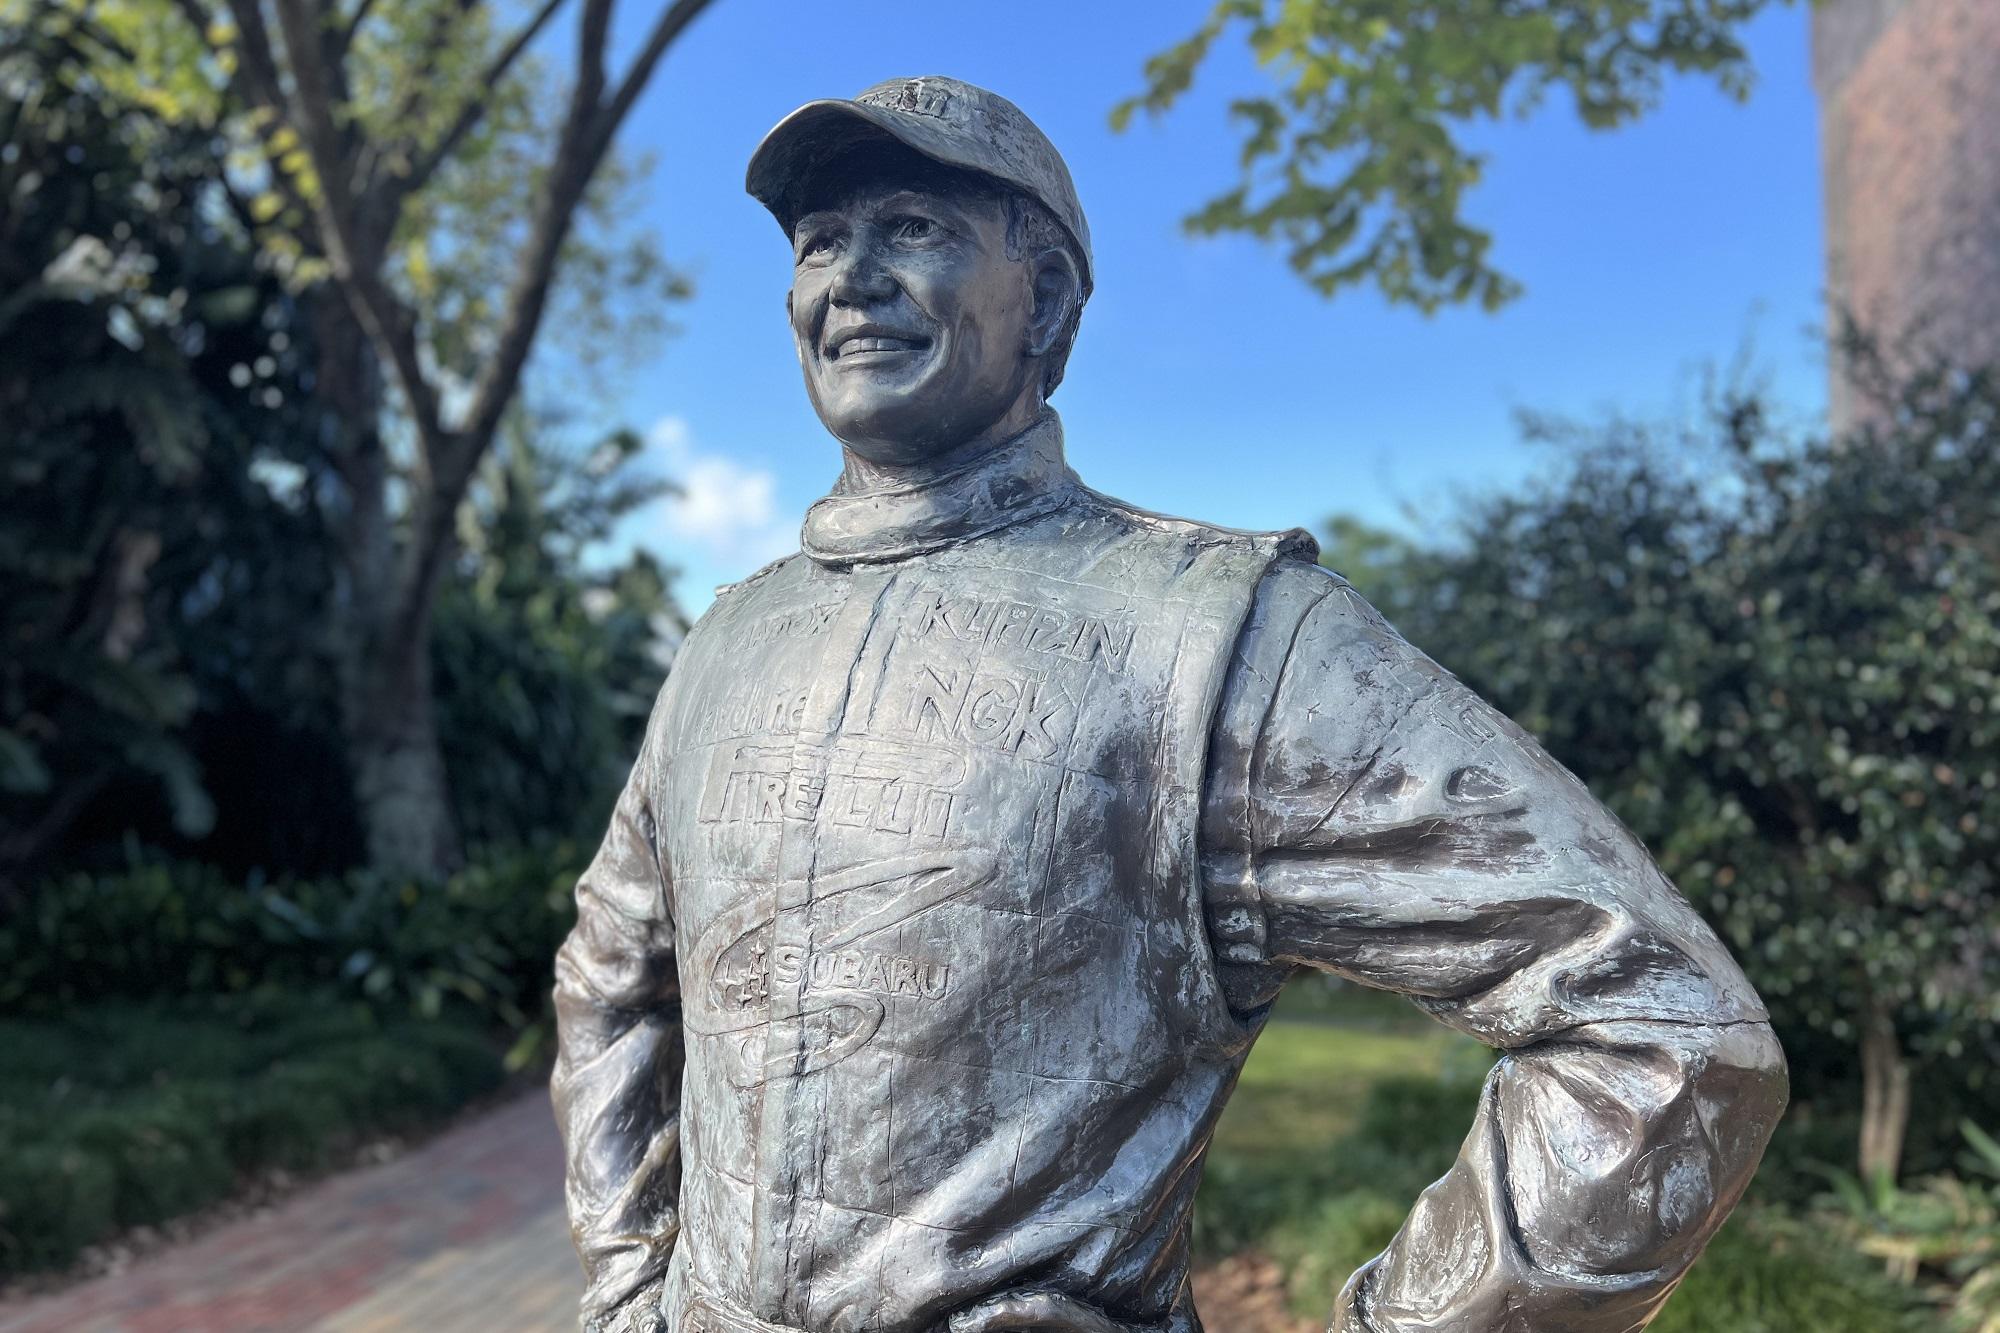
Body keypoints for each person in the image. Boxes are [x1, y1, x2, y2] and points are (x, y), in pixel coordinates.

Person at [553, 76, 1787, 1333]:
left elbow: (1663, 1035)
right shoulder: (729, 639)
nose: (852, 276)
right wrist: (627, 1285)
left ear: (1044, 299)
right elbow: (611, 977)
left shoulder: (1224, 635)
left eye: (915, 228)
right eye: (821, 242)